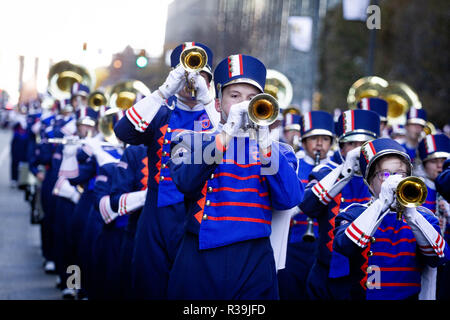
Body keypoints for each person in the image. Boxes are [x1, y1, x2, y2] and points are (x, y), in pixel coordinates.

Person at [166, 53, 303, 299]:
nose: (243, 104)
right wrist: (228, 131)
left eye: (252, 98)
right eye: (235, 96)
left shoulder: (279, 151)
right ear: (218, 104)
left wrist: (263, 140)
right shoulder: (190, 140)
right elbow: (185, 182)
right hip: (200, 256)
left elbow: (289, 198)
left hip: (254, 258)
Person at [114, 42, 218, 299]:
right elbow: (123, 131)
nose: (192, 80)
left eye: (200, 74)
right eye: (185, 73)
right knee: (150, 285)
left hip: (201, 215)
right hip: (156, 215)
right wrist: (162, 92)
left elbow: (236, 144)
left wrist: (207, 99)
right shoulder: (160, 115)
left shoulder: (219, 118)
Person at [333, 138, 448, 300]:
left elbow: (439, 258)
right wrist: (381, 204)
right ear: (370, 184)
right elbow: (343, 245)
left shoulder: (424, 217)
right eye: (384, 174)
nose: (393, 181)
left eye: (400, 175)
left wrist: (413, 216)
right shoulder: (354, 213)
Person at [299, 109, 380, 300]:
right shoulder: (325, 172)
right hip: (329, 271)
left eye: (364, 144)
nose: (358, 150)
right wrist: (345, 171)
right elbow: (307, 205)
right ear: (342, 148)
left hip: (373, 271)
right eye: (352, 143)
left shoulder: (385, 176)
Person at [278, 110, 334, 299]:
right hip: (293, 242)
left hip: (323, 244)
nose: (319, 144)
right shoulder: (293, 163)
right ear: (303, 141)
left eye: (325, 139)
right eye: (314, 138)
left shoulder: (336, 169)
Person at [417, 133, 450, 300]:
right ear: (423, 164)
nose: (439, 166)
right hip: (426, 258)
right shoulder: (416, 188)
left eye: (444, 160)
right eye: (433, 161)